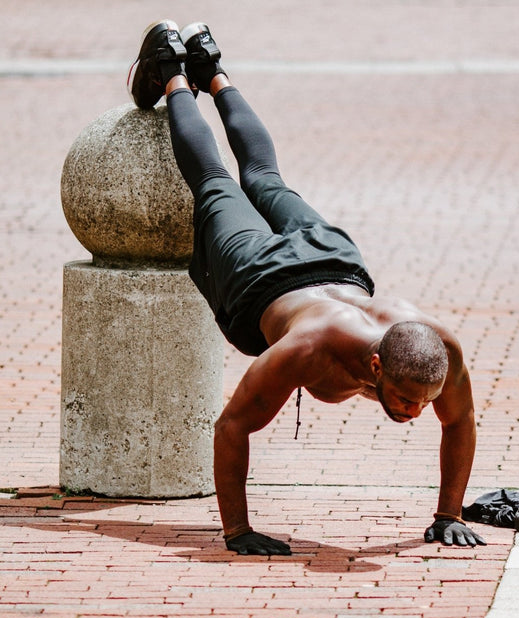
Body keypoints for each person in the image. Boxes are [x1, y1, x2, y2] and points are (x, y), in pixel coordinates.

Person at [128, 20, 486, 555]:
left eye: (422, 403)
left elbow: (460, 421)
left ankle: (214, 67)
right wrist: (237, 531)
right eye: (409, 402)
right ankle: (174, 69)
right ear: (375, 366)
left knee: (266, 179)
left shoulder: (439, 349)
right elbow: (231, 428)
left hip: (334, 260)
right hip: (259, 274)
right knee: (215, 181)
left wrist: (448, 515)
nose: (415, 413)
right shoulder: (305, 350)